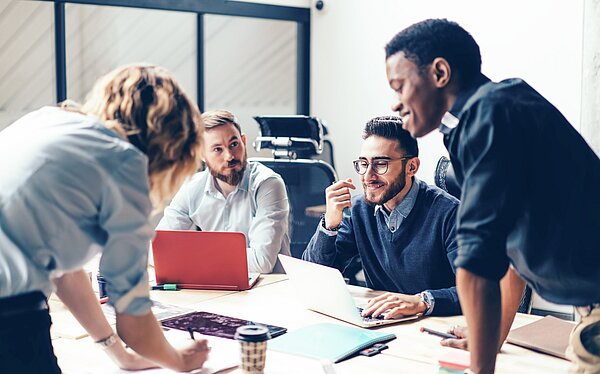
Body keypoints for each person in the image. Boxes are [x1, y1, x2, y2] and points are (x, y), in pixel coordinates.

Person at [385, 18, 600, 373]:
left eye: (400, 86)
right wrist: (492, 338)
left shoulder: (489, 117)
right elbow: (506, 249)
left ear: (440, 72)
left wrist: (479, 368)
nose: (396, 104)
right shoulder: (489, 111)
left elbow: (476, 265)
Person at [0, 64, 210, 372]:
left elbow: (65, 272)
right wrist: (179, 361)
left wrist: (121, 356)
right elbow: (134, 321)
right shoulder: (126, 165)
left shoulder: (46, 121)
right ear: (171, 144)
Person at [303, 116, 461, 318]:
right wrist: (330, 225)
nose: (368, 176)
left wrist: (422, 301)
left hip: (436, 327)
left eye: (380, 164)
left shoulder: (450, 214)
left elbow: (477, 291)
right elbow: (315, 278)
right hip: (380, 322)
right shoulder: (359, 210)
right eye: (363, 164)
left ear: (411, 167)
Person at [157, 110, 290, 273]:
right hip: (216, 288)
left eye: (234, 144)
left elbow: (261, 262)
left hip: (267, 289)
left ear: (243, 141)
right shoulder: (192, 188)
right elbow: (157, 251)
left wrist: (194, 255)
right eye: (218, 149)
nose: (229, 156)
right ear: (202, 155)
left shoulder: (268, 184)